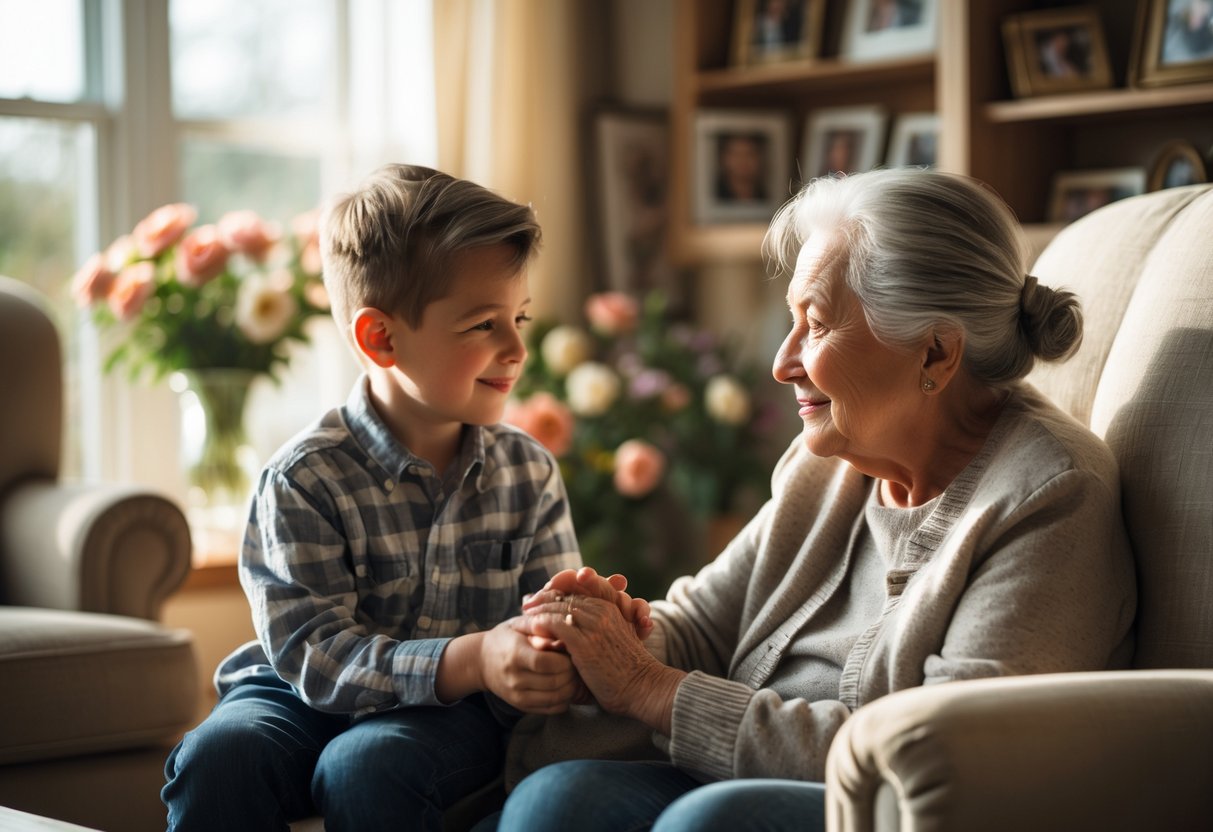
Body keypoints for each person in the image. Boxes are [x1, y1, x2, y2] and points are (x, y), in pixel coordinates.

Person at [488, 168, 1137, 832]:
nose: (781, 360)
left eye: (816, 325)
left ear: (935, 353)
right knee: (557, 800)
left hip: (888, 809)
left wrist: (650, 689)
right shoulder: (830, 461)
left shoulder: (1048, 495)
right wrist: (596, 643)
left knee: (710, 822)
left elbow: (946, 755)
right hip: (738, 778)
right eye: (790, 321)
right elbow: (706, 625)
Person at [161, 164, 646, 831]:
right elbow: (315, 656)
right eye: (482, 325)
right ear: (380, 338)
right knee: (221, 754)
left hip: (455, 711)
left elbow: (543, 622)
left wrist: (573, 636)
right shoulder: (303, 478)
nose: (515, 348)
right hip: (297, 692)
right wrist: (471, 655)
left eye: (520, 318)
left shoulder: (525, 471)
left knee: (367, 763)